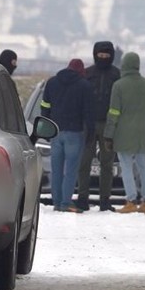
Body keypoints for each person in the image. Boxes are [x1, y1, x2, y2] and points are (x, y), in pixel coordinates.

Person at [104, 52, 145, 215]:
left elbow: (114, 112)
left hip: (123, 132)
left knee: (126, 167)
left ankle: (131, 200)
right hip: (143, 132)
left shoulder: (119, 85)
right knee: (143, 167)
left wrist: (109, 134)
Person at [41, 59, 95, 213]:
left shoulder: (51, 83)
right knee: (71, 170)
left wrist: (46, 127)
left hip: (56, 132)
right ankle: (65, 203)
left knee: (56, 169)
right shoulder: (85, 86)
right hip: (75, 133)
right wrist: (91, 133)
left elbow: (45, 106)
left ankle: (57, 202)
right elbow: (88, 113)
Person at [77, 41, 122, 212]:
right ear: (95, 54)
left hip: (108, 125)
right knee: (84, 162)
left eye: (107, 55)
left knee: (107, 163)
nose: (103, 58)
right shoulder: (87, 73)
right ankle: (82, 198)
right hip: (88, 124)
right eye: (100, 55)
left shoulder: (117, 75)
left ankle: (105, 199)